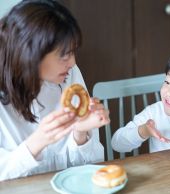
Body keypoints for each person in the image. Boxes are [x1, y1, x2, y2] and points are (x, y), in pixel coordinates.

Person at [0, 0, 110, 181]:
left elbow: (93, 167)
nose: (73, 62)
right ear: (30, 54)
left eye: (73, 52)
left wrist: (80, 132)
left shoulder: (69, 74)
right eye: (64, 55)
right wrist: (38, 142)